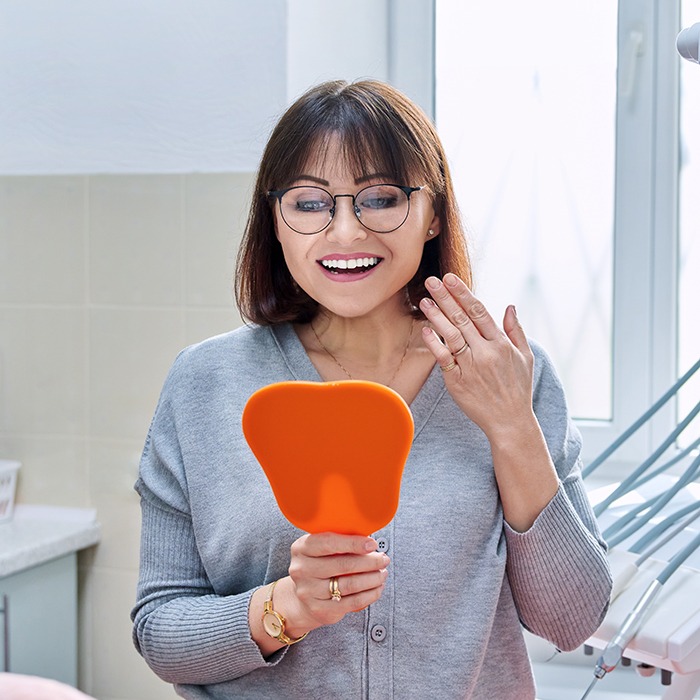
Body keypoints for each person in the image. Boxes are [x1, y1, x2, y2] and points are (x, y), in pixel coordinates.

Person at [131, 79, 612, 699]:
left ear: (434, 212)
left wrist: (512, 424)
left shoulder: (511, 371)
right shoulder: (203, 384)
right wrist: (287, 609)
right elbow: (160, 632)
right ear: (274, 221)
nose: (345, 233)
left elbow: (571, 620)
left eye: (380, 198)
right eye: (309, 204)